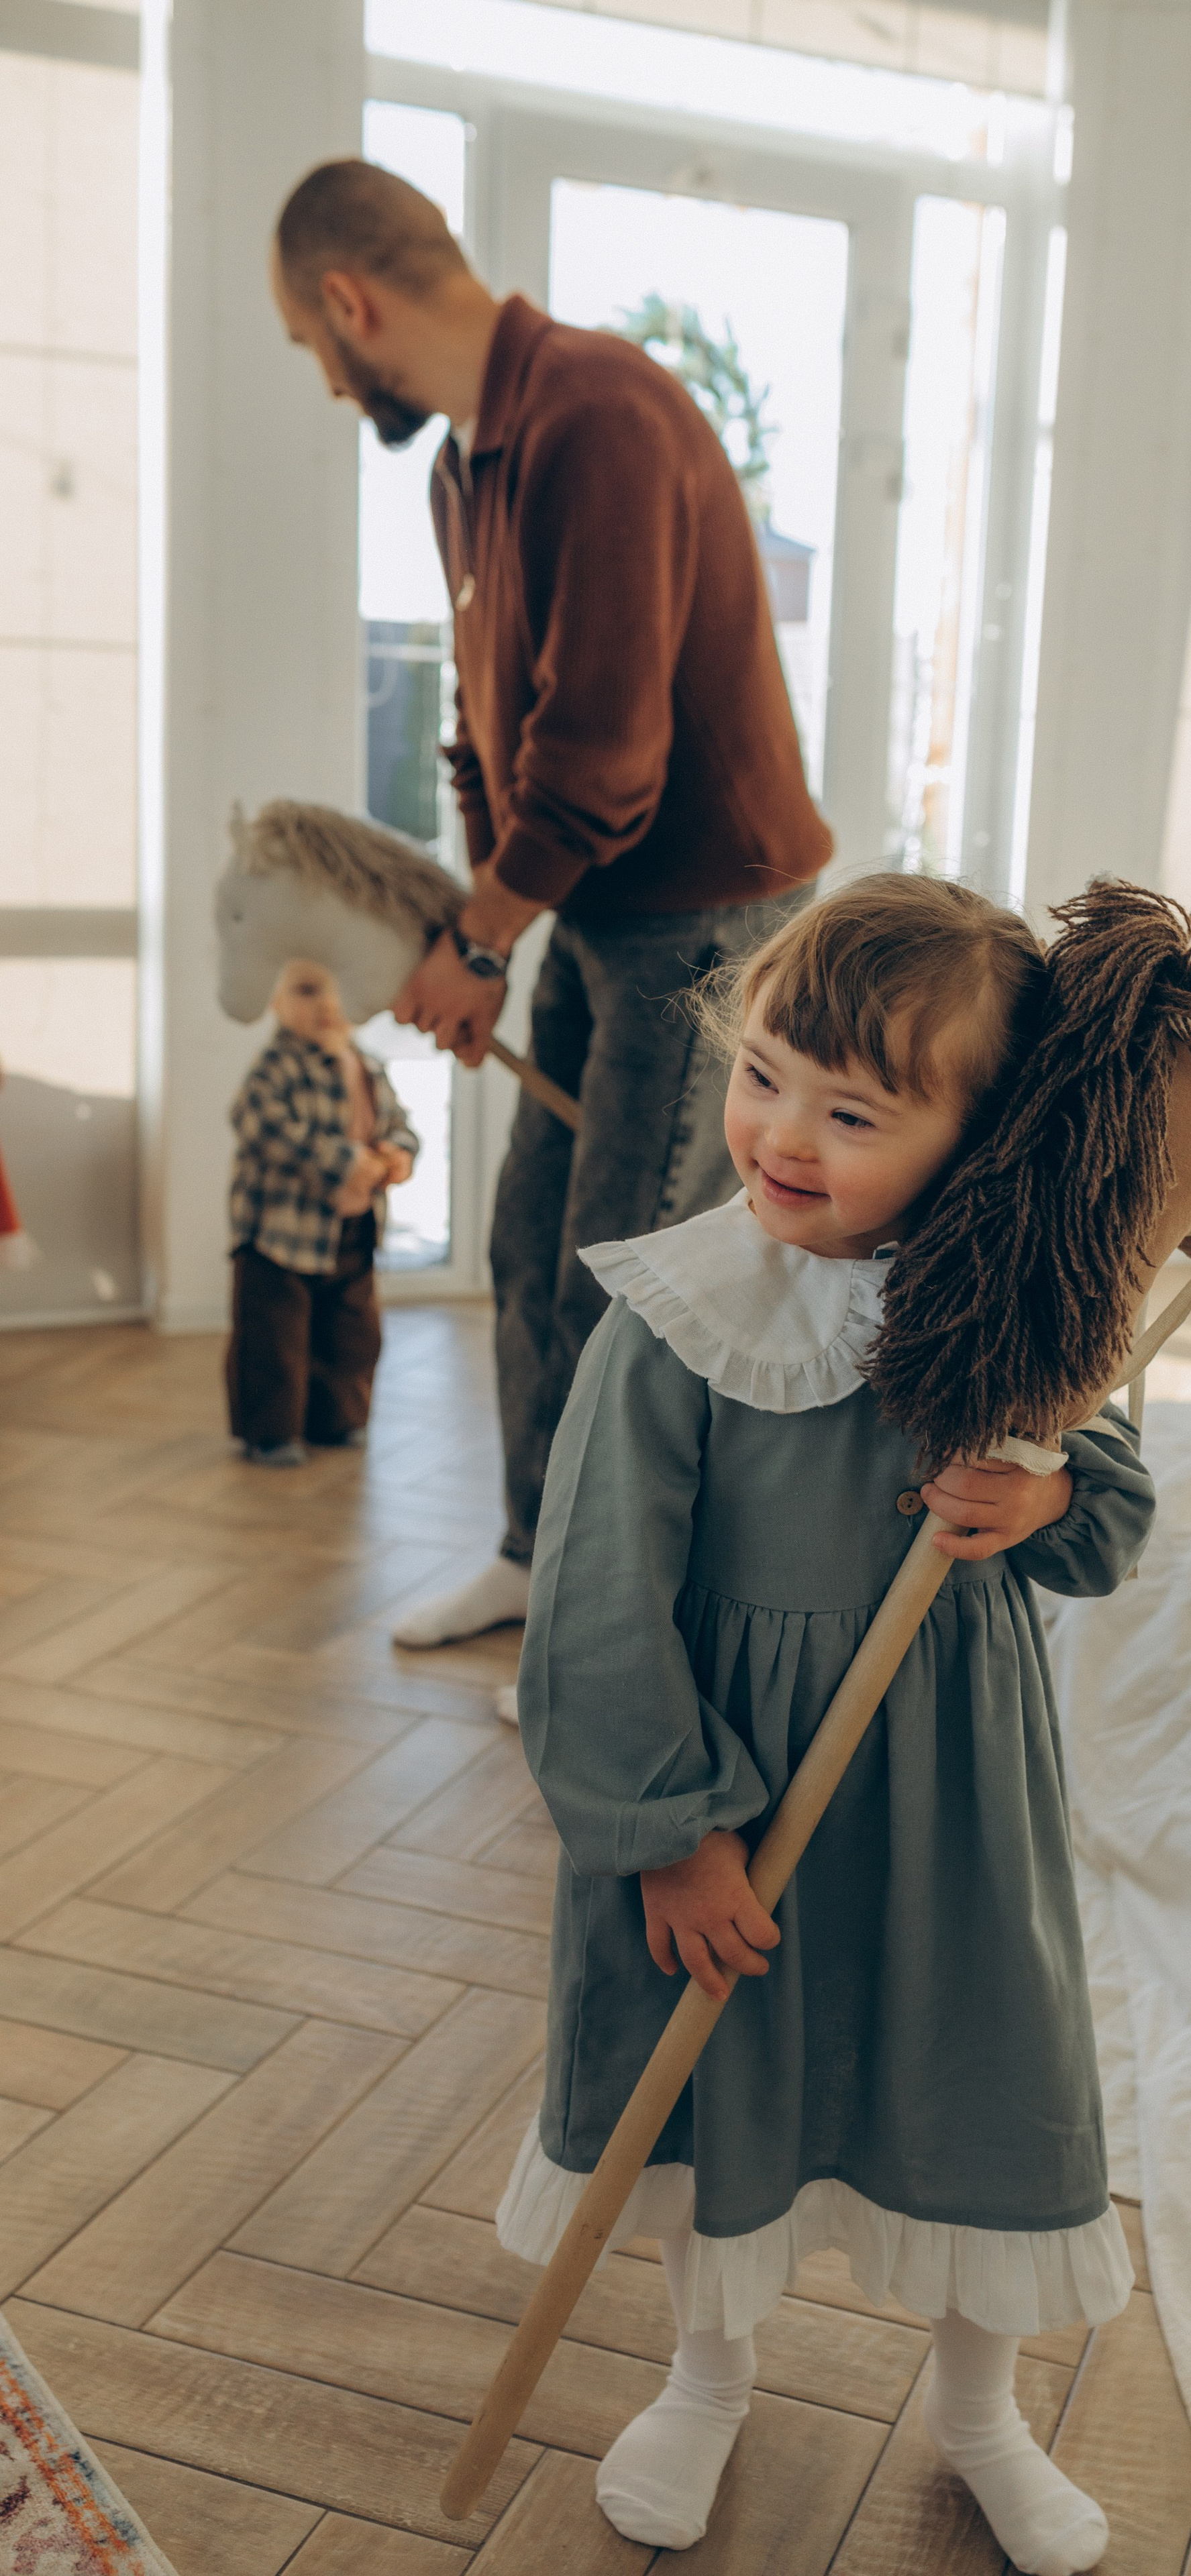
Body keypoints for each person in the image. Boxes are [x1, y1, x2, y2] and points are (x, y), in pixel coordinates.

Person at [493, 875, 1191, 2570]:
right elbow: (599, 1595)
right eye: (763, 1071)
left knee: (979, 2077)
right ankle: (704, 2380)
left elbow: (1107, 1522)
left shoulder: (1005, 1312)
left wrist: (1039, 1483)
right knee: (721, 2095)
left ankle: (979, 2413)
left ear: (971, 1140)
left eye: (853, 1111)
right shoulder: (680, 1318)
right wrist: (668, 1829)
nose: (782, 1132)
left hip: (950, 1794)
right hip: (741, 1791)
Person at [270, 162, 829, 1694]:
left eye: (312, 350)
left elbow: (601, 754)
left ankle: (614, 1635)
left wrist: (482, 938)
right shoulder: (467, 468)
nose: (328, 384)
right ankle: (539, 1556)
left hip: (705, 914)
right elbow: (488, 738)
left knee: (621, 1281)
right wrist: (482, 930)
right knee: (530, 1242)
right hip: (595, 906)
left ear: (347, 301)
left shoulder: (600, 415)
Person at [227, 958, 418, 1465]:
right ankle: (271, 1431)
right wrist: (340, 1161)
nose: (328, 1005)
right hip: (280, 1231)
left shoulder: (368, 1064)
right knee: (275, 1338)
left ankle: (339, 1418)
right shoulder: (280, 1065)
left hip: (349, 1226)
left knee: (352, 1333)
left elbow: (398, 1123)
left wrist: (399, 1151)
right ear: (277, 1004)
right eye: (308, 991)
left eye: (340, 991)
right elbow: (257, 1123)